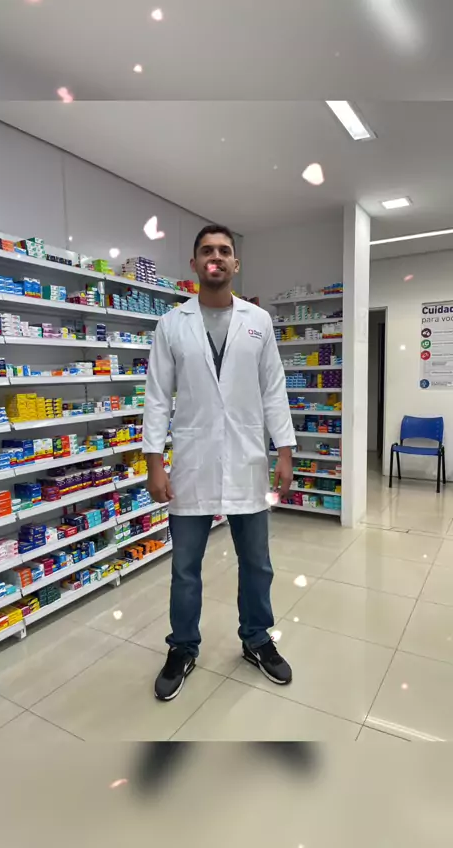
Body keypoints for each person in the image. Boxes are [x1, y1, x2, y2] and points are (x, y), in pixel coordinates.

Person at [143, 224, 296, 701]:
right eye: (207, 250)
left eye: (224, 250)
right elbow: (156, 398)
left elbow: (274, 390)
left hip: (248, 459)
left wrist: (285, 451)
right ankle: (183, 647)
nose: (217, 257)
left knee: (257, 563)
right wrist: (154, 462)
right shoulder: (172, 325)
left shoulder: (258, 321)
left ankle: (256, 639)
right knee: (185, 567)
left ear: (235, 263)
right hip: (192, 462)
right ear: (194, 264)